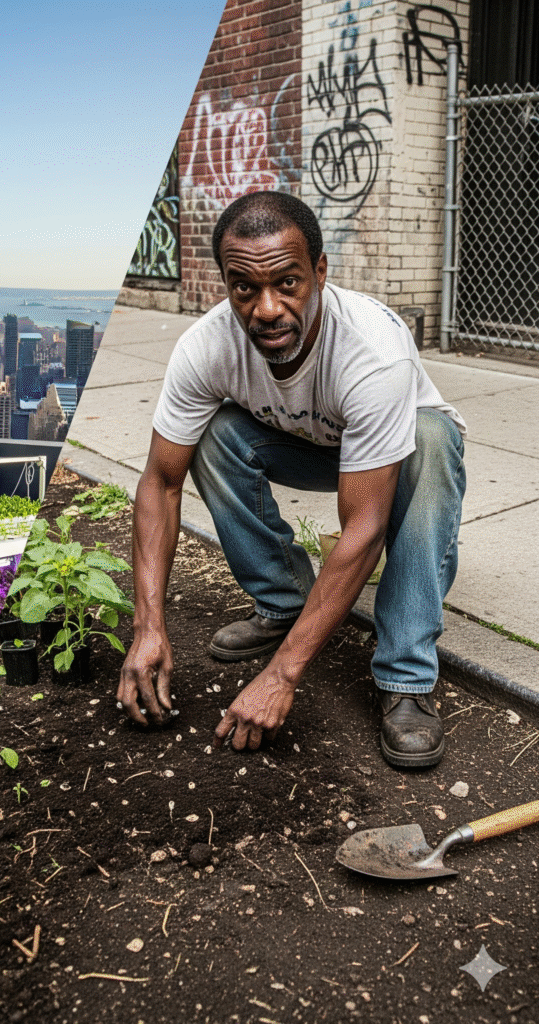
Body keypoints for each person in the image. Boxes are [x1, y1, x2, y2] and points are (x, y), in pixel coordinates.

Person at [117, 191, 466, 769]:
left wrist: (281, 677)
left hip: (389, 457)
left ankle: (406, 675)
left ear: (320, 273)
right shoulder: (206, 347)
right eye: (245, 288)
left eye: (288, 283)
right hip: (303, 444)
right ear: (226, 284)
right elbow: (159, 482)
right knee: (208, 433)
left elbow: (366, 526)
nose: (267, 308)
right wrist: (148, 626)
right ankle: (283, 603)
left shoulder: (374, 352)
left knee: (431, 439)